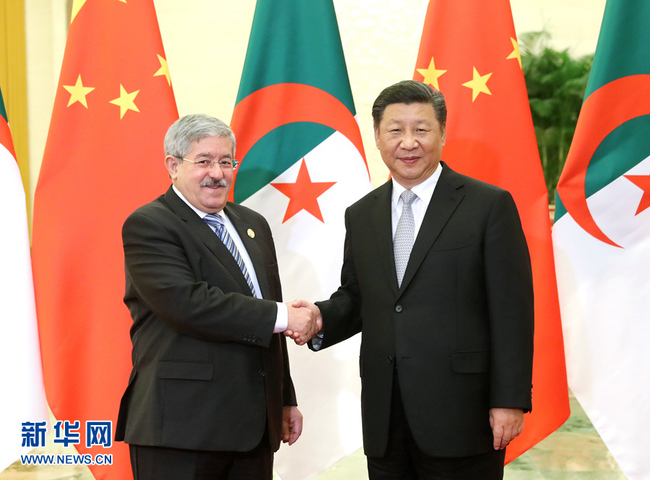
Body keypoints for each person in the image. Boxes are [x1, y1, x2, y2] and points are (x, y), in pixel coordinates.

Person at [295, 80, 534, 479]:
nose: (408, 142)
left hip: (463, 415)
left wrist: (509, 400)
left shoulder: (487, 205)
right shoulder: (362, 213)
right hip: (386, 417)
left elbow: (512, 311)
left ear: (442, 132)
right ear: (377, 135)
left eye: (421, 129)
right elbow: (359, 297)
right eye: (395, 130)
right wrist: (319, 317)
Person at [115, 114, 319, 480]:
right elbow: (189, 304)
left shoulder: (252, 224)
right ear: (173, 166)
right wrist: (287, 316)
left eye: (226, 161)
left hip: (254, 427)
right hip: (181, 429)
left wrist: (284, 398)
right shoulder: (150, 224)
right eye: (204, 161)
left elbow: (264, 306)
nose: (218, 172)